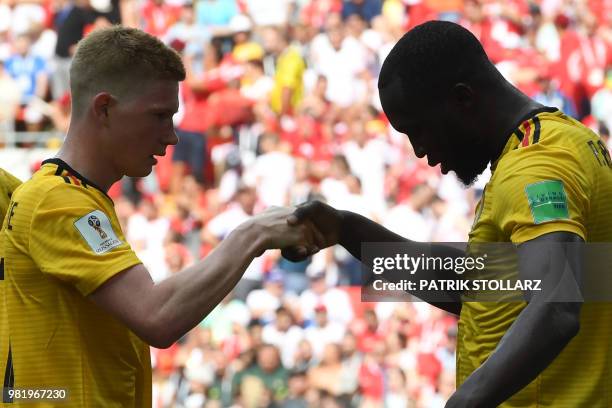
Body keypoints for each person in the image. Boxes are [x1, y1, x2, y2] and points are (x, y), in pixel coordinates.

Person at [285, 21, 612, 406]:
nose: (419, 150)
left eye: (417, 129)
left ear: (463, 99)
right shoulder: (564, 140)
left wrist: (464, 401)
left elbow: (556, 308)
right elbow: (477, 285)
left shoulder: (536, 167)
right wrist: (346, 229)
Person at [0, 26, 320, 407]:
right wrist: (253, 234)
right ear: (103, 108)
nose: (171, 137)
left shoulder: (66, 196)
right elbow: (157, 315)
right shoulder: (57, 201)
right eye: (158, 116)